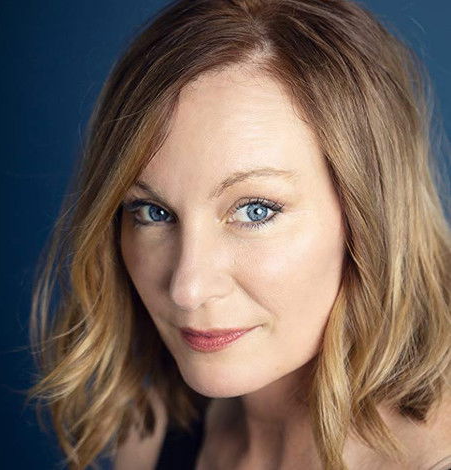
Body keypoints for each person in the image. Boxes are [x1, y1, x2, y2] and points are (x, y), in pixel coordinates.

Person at [26, 0, 451, 469]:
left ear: (370, 216)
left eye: (255, 210)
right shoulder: (149, 438)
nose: (188, 289)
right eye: (153, 212)